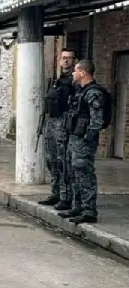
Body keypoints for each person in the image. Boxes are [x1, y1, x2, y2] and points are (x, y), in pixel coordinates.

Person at [58, 59, 104, 224]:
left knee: (84, 174)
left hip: (83, 141)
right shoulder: (80, 91)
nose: (73, 73)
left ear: (83, 72)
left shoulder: (93, 93)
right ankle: (77, 207)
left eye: (76, 70)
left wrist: (88, 138)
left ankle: (89, 210)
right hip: (74, 139)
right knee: (73, 173)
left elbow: (96, 120)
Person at [38, 48, 77, 211]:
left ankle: (66, 196)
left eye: (69, 58)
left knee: (62, 162)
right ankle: (55, 193)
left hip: (63, 123)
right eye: (63, 58)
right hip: (52, 122)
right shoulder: (57, 80)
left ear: (74, 61)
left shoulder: (75, 81)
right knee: (51, 161)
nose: (66, 61)